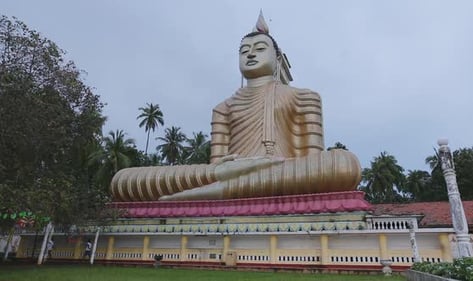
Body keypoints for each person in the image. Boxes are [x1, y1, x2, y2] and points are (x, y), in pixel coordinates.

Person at [110, 12, 361, 202]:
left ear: (278, 59)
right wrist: (230, 167)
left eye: (260, 49)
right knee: (124, 180)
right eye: (244, 51)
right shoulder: (223, 107)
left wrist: (262, 164)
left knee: (343, 164)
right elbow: (215, 166)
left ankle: (195, 195)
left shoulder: (305, 97)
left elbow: (312, 163)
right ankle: (219, 187)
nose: (250, 54)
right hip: (227, 173)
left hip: (285, 171)